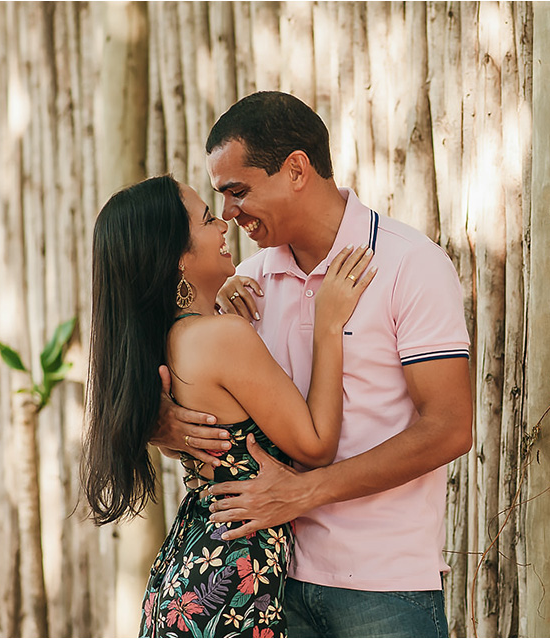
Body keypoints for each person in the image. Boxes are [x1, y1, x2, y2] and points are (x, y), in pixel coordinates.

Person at [151, 91, 474, 638]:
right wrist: (163, 423)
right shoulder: (245, 285)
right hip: (271, 585)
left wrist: (307, 491)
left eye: (238, 191)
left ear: (296, 169)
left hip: (381, 587)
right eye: (220, 199)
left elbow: (449, 427)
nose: (228, 214)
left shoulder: (408, 265)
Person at [82, 175, 375, 636]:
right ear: (178, 256)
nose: (223, 224)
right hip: (231, 586)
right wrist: (328, 326)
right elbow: (316, 444)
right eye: (205, 220)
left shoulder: (166, 341)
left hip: (193, 574)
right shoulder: (220, 338)